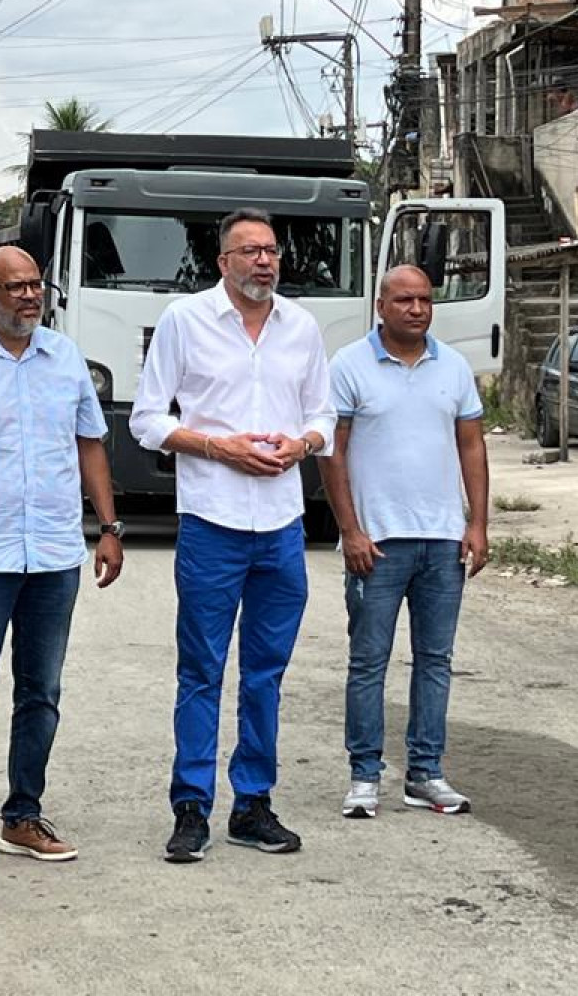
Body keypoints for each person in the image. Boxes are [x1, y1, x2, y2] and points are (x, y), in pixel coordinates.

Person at [130, 207, 334, 864]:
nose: (264, 261)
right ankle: (191, 807)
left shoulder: (301, 328)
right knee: (201, 671)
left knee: (265, 674)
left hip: (279, 526)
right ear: (223, 262)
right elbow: (146, 421)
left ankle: (253, 803)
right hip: (212, 523)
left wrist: (301, 442)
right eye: (249, 251)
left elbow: (322, 415)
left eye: (271, 250)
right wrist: (219, 448)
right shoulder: (185, 322)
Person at [0, 245, 124, 867]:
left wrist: (109, 527)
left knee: (42, 691)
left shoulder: (64, 359)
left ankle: (23, 815)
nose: (30, 296)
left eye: (36, 285)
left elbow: (90, 444)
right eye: (14, 287)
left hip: (56, 552)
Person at [320, 266, 490, 820]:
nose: (416, 309)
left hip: (442, 541)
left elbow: (471, 448)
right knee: (368, 662)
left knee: (435, 660)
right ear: (380, 306)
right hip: (379, 542)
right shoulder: (348, 366)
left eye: (424, 300)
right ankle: (364, 775)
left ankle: (426, 773)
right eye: (404, 300)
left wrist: (477, 524)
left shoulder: (455, 367)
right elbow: (332, 453)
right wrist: (350, 531)